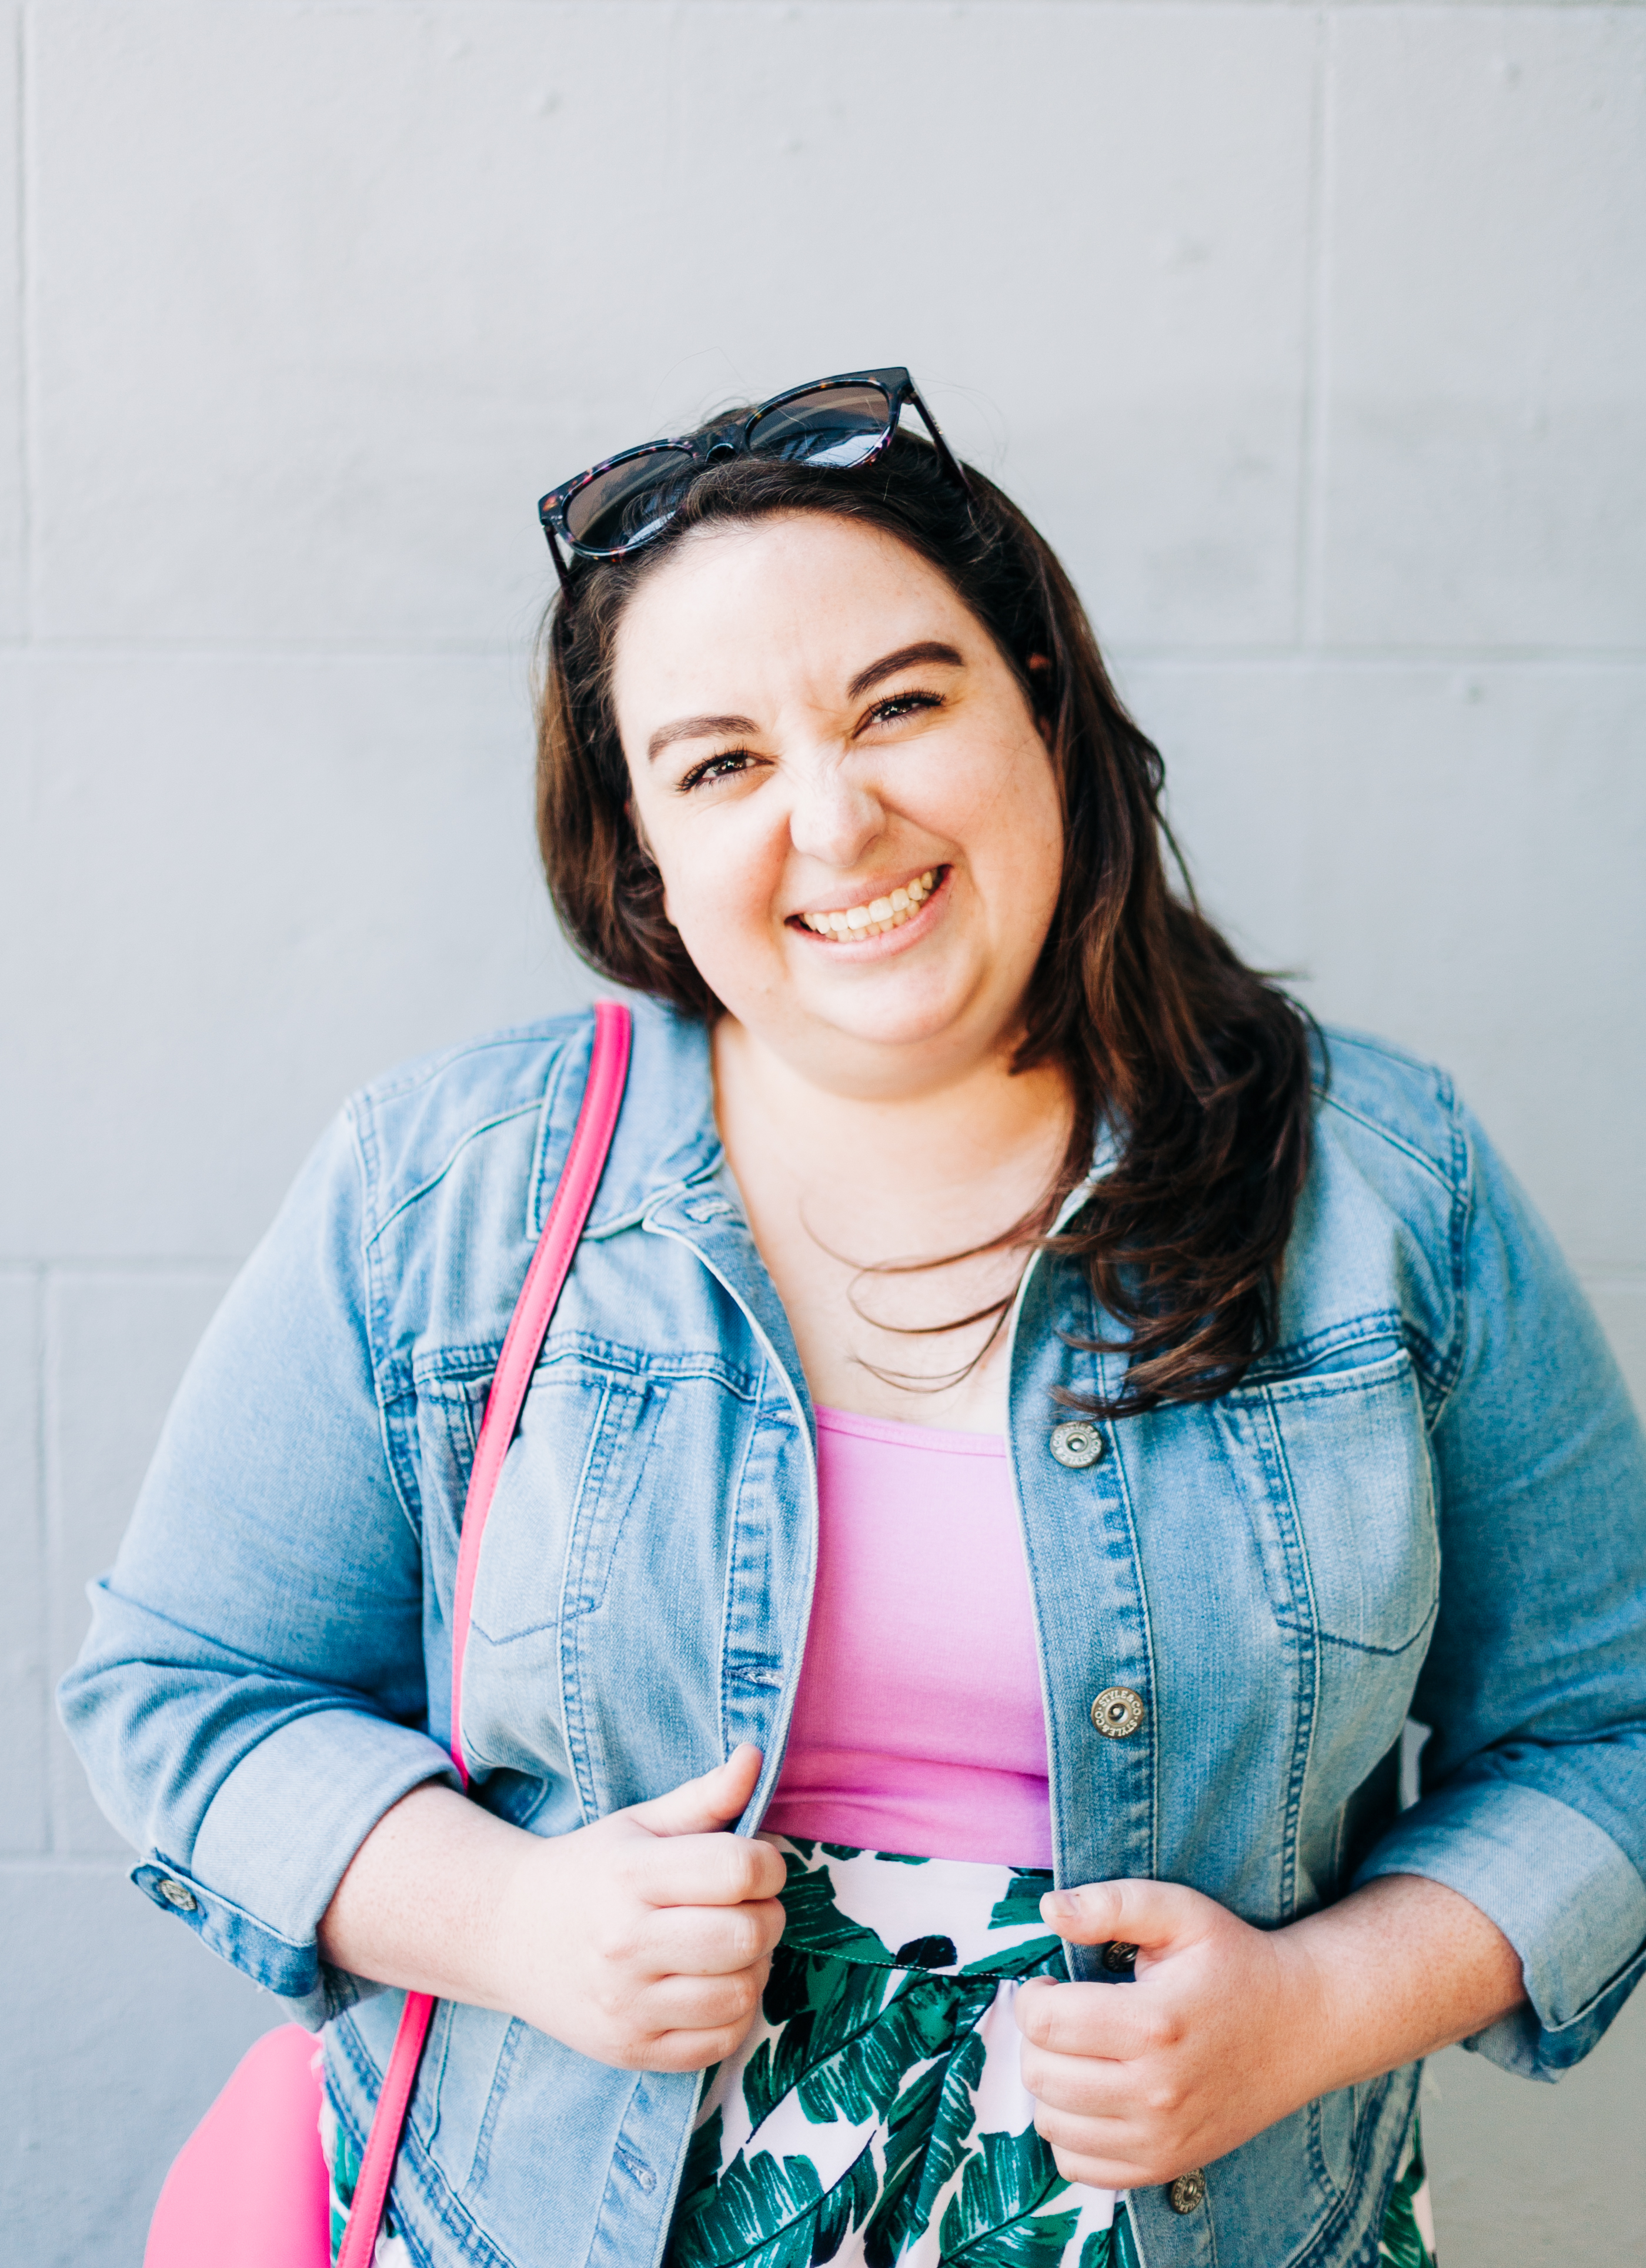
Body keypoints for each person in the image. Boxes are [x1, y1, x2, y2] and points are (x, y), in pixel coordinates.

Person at [63, 370, 1646, 2268]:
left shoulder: (1390, 1187)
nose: (836, 815)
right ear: (640, 843)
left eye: (902, 702)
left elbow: (1611, 1730)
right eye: (719, 761)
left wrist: (1315, 2015)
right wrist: (522, 1927)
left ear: (1043, 708)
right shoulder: (445, 1191)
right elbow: (181, 1697)